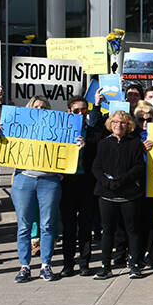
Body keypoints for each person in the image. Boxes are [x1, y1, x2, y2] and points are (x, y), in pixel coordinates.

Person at [0, 95, 74, 283]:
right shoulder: (21, 128)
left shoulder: (57, 128)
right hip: (24, 180)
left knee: (48, 225)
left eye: (43, 107)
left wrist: (77, 146)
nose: (40, 109)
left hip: (49, 181)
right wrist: (0, 132)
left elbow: (68, 151)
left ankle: (45, 265)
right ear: (29, 109)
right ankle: (24, 266)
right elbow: (4, 145)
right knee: (24, 225)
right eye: (36, 106)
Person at [91, 110, 148, 279]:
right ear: (110, 124)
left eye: (123, 122)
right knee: (108, 231)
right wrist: (106, 182)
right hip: (107, 194)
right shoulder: (103, 143)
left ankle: (135, 265)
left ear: (128, 125)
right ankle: (105, 266)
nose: (118, 125)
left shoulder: (135, 143)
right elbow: (96, 167)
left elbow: (139, 167)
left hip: (129, 194)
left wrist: (122, 180)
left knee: (133, 230)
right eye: (115, 122)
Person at [58, 97, 96, 276]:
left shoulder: (93, 131)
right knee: (68, 226)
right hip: (67, 183)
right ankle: (67, 264)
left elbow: (98, 155)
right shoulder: (60, 131)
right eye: (76, 111)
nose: (80, 114)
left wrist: (86, 147)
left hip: (86, 183)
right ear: (69, 112)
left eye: (83, 110)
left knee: (86, 225)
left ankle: (84, 263)